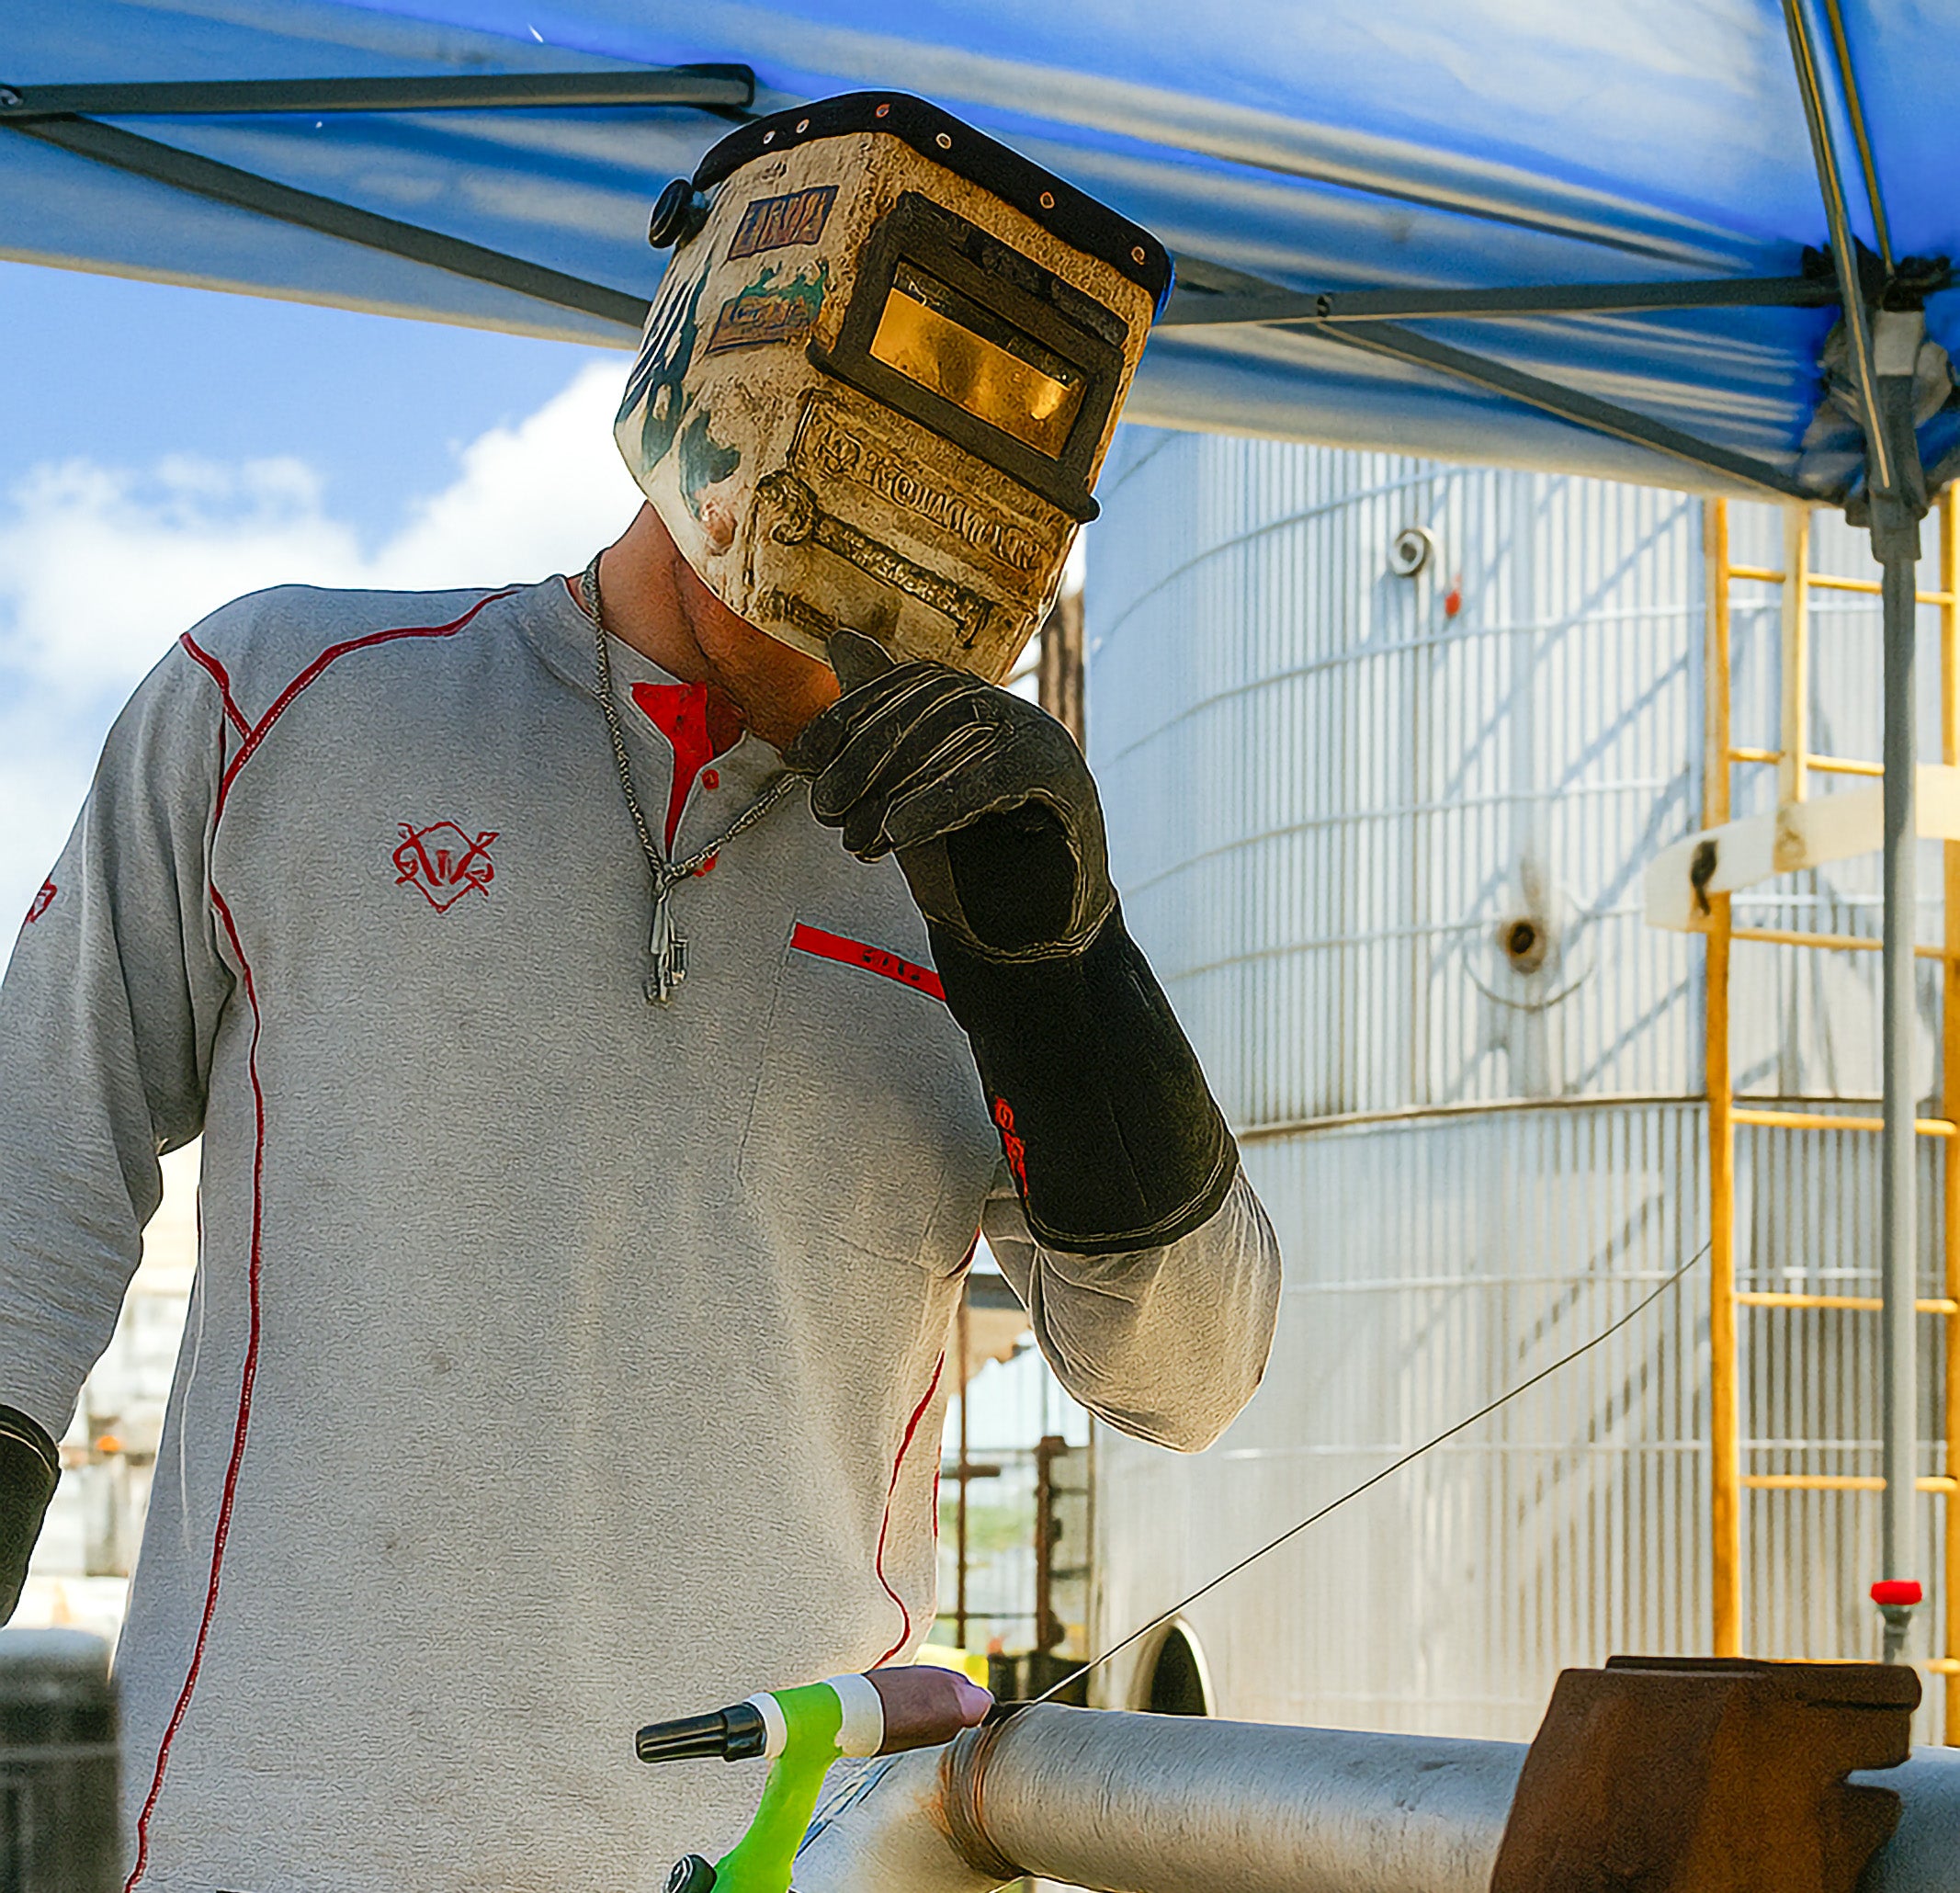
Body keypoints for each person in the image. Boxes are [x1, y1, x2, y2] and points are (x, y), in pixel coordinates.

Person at [0, 92, 1281, 1893]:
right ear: (703, 359)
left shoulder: (979, 879)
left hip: (768, 1864)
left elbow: (1191, 1372)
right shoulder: (282, 700)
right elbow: (27, 1176)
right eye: (841, 517)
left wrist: (1062, 975)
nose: (866, 610)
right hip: (278, 1849)